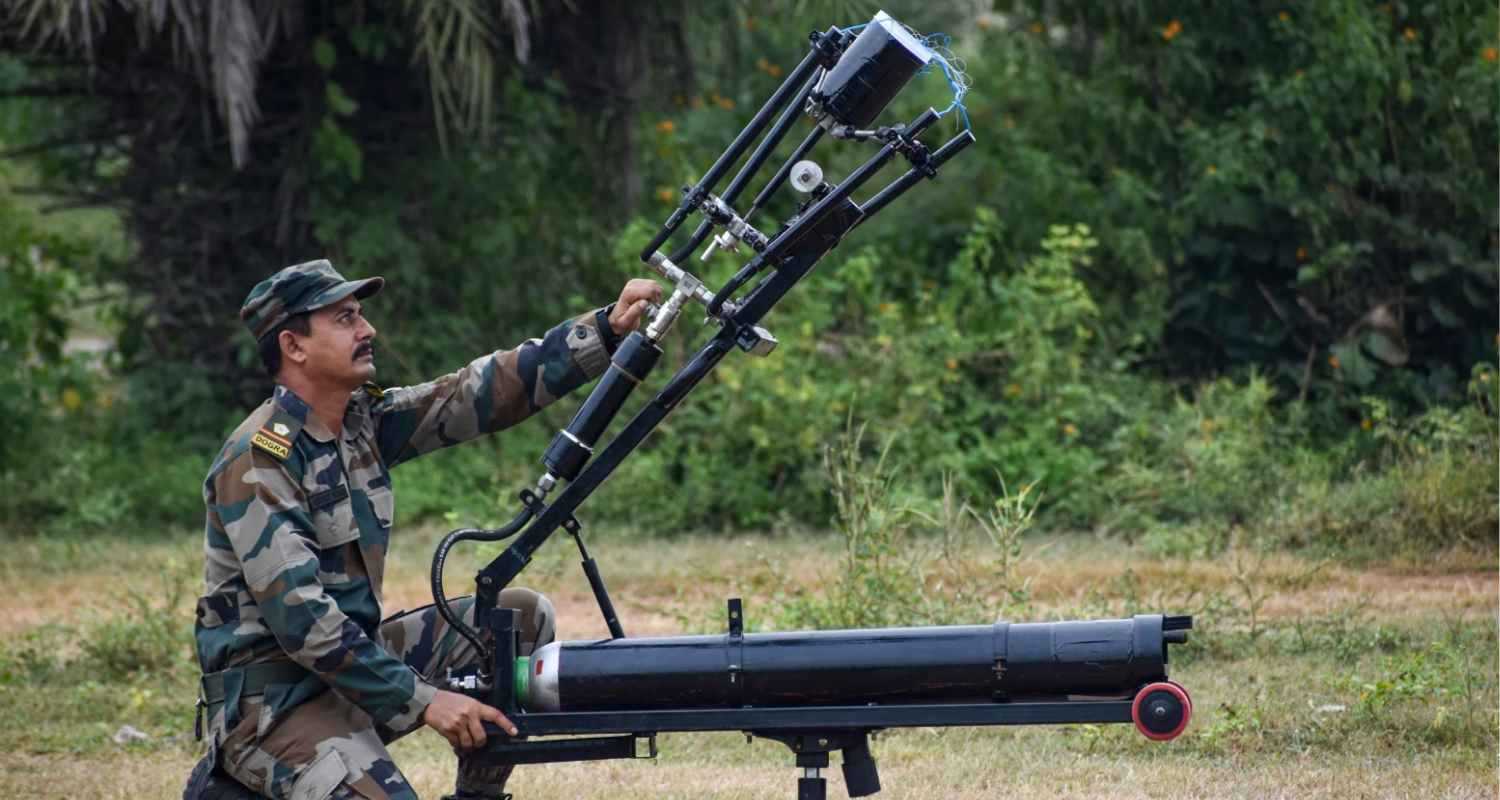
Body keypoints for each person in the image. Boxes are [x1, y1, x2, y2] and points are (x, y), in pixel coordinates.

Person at [189, 259, 661, 800]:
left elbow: (474, 395)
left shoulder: (359, 423)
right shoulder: (260, 456)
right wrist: (427, 700)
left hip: (347, 673)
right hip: (274, 705)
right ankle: (238, 784)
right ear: (294, 346)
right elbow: (302, 620)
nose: (368, 331)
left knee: (515, 621)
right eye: (345, 319)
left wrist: (604, 331)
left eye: (361, 315)